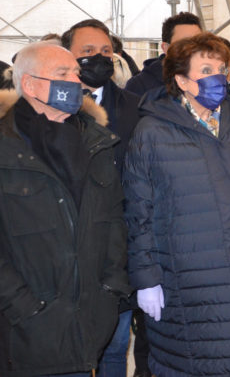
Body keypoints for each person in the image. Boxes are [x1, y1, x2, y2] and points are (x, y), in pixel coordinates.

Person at [123, 32, 230, 376]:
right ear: (182, 80)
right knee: (200, 360)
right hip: (189, 280)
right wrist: (146, 277)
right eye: (206, 68)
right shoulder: (153, 132)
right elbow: (138, 212)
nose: (218, 76)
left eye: (222, 68)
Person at [0, 41, 129, 376]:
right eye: (62, 73)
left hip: (89, 323)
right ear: (28, 84)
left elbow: (115, 222)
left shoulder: (96, 142)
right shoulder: (5, 146)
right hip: (23, 332)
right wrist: (24, 308)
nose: (76, 81)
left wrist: (110, 290)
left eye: (75, 73)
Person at [60, 18, 141, 377]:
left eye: (106, 51)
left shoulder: (138, 108)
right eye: (88, 52)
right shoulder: (51, 109)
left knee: (117, 344)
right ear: (68, 57)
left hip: (118, 248)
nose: (99, 58)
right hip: (65, 249)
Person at [125, 11, 202, 96]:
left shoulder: (210, 79)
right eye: (183, 43)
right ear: (166, 48)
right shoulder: (140, 86)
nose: (193, 48)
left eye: (198, 42)